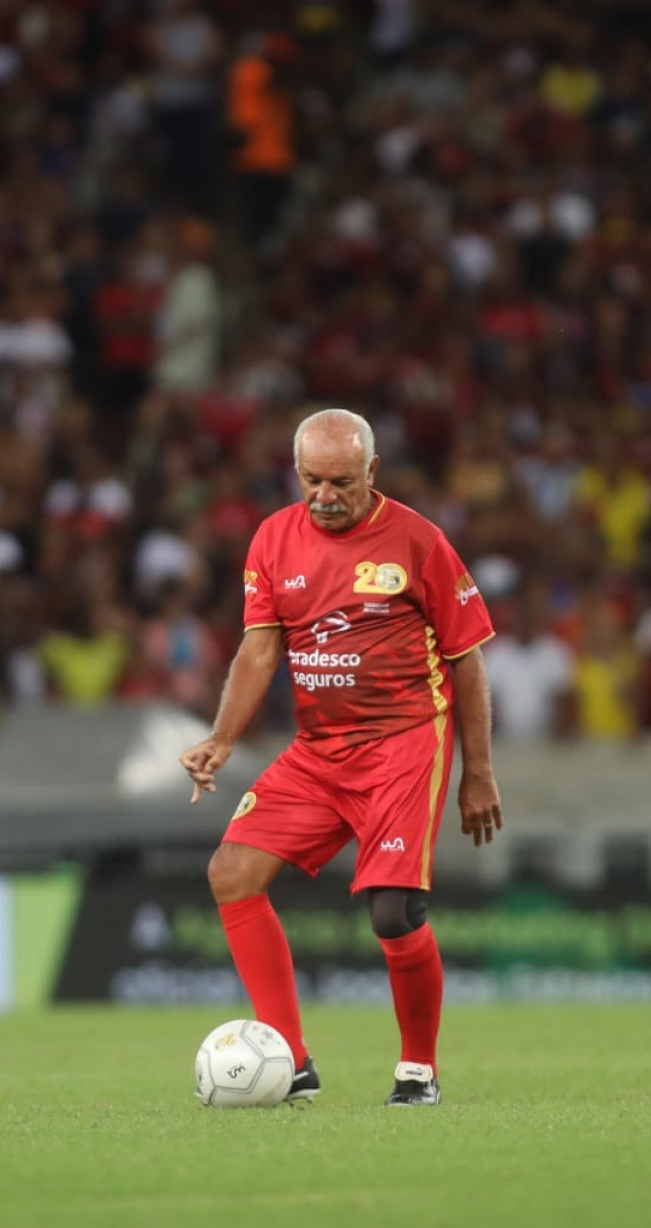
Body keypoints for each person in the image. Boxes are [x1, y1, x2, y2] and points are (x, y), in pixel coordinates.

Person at [177, 409, 502, 1106]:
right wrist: (223, 736)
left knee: (392, 912)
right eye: (312, 480)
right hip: (319, 750)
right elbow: (260, 649)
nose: (324, 495)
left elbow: (467, 661)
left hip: (403, 743)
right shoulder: (272, 539)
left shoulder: (419, 541)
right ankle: (290, 1061)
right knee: (232, 871)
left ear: (372, 472)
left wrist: (478, 771)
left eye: (341, 482)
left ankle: (418, 1070)